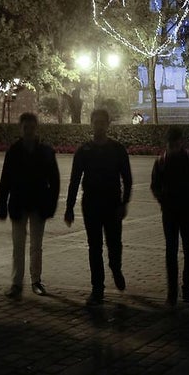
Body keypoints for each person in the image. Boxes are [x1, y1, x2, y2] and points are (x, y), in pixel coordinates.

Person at [64, 109, 133, 307]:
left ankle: (115, 267)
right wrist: (69, 208)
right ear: (91, 124)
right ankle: (97, 288)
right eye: (96, 122)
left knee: (114, 244)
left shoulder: (117, 149)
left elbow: (127, 179)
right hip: (91, 204)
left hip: (112, 204)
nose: (99, 126)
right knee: (94, 247)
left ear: (107, 125)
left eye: (103, 122)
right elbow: (75, 180)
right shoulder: (84, 150)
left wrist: (124, 203)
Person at [0, 113, 60, 299]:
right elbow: (5, 179)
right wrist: (1, 205)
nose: (29, 131)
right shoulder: (14, 151)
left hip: (39, 203)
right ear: (21, 129)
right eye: (26, 127)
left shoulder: (46, 152)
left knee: (36, 245)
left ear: (36, 128)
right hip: (18, 203)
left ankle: (36, 280)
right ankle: (17, 283)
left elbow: (54, 181)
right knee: (18, 245)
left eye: (31, 127)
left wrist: (51, 204)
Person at [150, 126, 189, 306]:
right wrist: (163, 200)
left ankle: (186, 289)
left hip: (188, 211)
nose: (174, 146)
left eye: (176, 143)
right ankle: (173, 291)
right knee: (171, 251)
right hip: (170, 212)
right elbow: (155, 185)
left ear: (181, 142)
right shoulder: (161, 162)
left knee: (188, 250)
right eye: (171, 144)